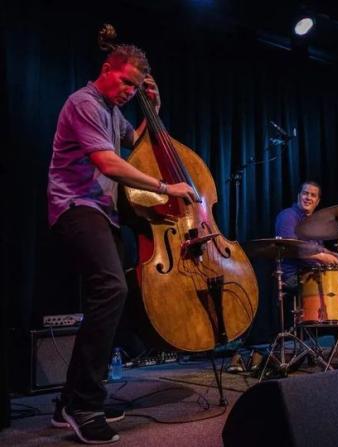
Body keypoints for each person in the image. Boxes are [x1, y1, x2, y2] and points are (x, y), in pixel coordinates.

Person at [47, 45, 196, 444]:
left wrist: (155, 108)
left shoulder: (112, 112)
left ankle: (67, 404)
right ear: (106, 69)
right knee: (112, 288)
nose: (130, 90)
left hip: (103, 212)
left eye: (135, 85)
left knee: (116, 294)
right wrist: (167, 187)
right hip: (76, 207)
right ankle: (85, 405)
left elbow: (137, 146)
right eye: (126, 81)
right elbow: (110, 164)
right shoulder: (84, 103)